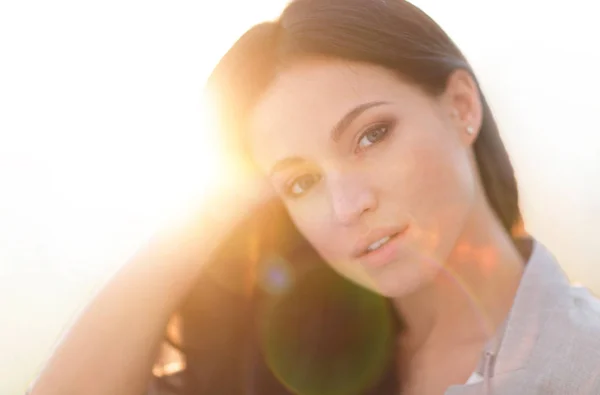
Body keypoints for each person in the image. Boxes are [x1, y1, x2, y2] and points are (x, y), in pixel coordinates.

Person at [28, 0, 600, 394]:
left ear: (460, 107)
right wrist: (205, 221)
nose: (347, 205)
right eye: (302, 183)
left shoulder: (584, 362)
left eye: (371, 136)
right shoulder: (282, 364)